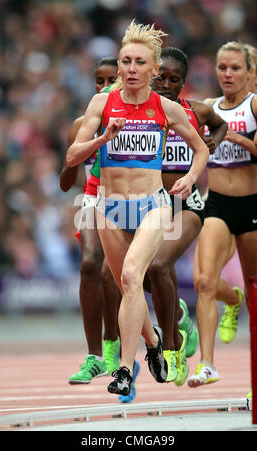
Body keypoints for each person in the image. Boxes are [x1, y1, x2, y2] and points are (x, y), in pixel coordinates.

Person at [66, 20, 209, 396]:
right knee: (128, 286)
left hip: (152, 206)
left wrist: (191, 177)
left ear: (154, 69)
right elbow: (71, 155)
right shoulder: (102, 103)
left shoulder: (164, 107)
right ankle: (154, 344)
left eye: (139, 62)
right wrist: (104, 137)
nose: (130, 68)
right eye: (125, 61)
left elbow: (201, 148)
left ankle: (125, 371)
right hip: (108, 207)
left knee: (131, 276)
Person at [189, 41, 257, 388]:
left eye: (235, 68)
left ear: (251, 73)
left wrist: (242, 142)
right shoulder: (208, 107)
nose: (227, 74)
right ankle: (207, 364)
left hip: (254, 207)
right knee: (204, 282)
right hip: (217, 205)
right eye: (222, 67)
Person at [146, 46, 228, 385]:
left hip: (187, 205)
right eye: (160, 77)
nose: (166, 84)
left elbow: (219, 125)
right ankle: (179, 317)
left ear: (183, 83)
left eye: (174, 80)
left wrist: (210, 146)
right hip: (149, 205)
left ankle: (172, 348)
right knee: (139, 277)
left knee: (157, 265)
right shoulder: (139, 114)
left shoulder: (196, 111)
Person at [60, 58, 123, 386]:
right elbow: (65, 182)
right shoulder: (82, 124)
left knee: (123, 275)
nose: (105, 86)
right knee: (89, 265)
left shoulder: (134, 120)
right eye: (99, 81)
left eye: (111, 79)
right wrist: (78, 155)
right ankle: (95, 355)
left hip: (126, 199)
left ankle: (173, 320)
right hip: (91, 195)